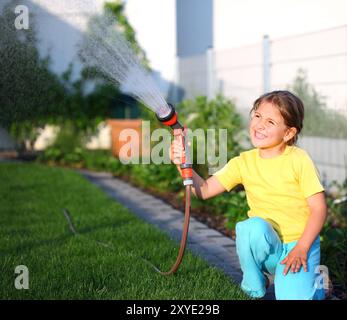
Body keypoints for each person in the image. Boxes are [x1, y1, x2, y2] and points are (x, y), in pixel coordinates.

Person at [170, 90, 328, 300]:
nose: (260, 124)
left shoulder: (299, 160)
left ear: (288, 133)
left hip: (298, 246)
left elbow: (319, 208)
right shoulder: (243, 162)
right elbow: (204, 190)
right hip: (267, 246)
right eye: (257, 115)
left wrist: (302, 247)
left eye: (271, 122)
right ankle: (255, 282)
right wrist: (183, 164)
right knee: (249, 228)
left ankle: (319, 284)